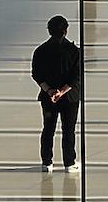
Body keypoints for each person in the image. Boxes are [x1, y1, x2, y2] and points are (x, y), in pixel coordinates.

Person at [31, 14, 82, 174]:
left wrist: (50, 90)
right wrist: (62, 91)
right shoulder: (74, 51)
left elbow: (36, 74)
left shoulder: (40, 51)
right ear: (65, 31)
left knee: (48, 129)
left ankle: (47, 162)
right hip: (70, 98)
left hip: (48, 97)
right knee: (69, 129)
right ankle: (69, 162)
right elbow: (76, 76)